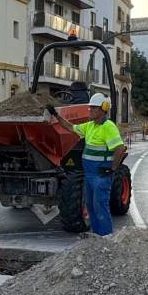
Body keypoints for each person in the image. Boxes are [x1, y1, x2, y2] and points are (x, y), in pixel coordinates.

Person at [46, 94, 127, 236]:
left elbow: (120, 148)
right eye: (90, 108)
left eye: (93, 108)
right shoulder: (89, 126)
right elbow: (70, 127)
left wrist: (112, 168)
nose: (90, 110)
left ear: (104, 108)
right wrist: (56, 116)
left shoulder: (109, 127)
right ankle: (97, 234)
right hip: (89, 174)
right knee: (90, 205)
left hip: (101, 174)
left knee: (100, 205)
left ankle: (106, 235)